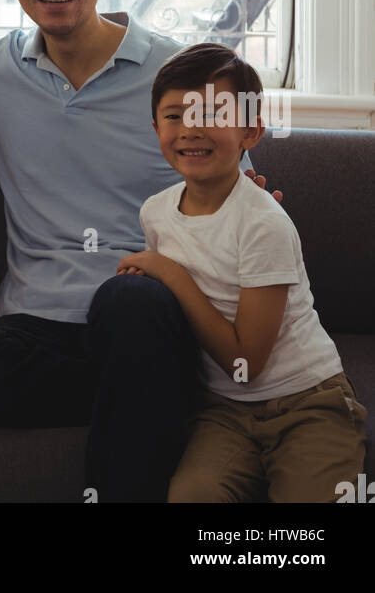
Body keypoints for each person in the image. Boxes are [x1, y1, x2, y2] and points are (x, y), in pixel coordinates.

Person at [0, 0, 276, 503]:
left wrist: (252, 197)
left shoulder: (178, 73)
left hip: (148, 303)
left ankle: (149, 385)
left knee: (128, 304)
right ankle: (155, 390)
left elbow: (240, 184)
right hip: (37, 323)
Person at [118, 42, 367, 503]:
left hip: (307, 402)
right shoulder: (155, 213)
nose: (191, 128)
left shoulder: (264, 223)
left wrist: (170, 274)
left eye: (212, 113)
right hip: (222, 411)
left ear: (251, 132)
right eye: (174, 116)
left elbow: (245, 363)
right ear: (156, 129)